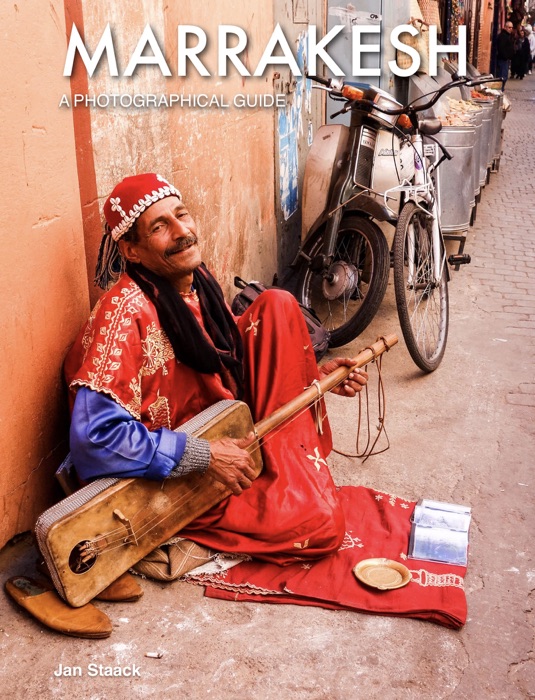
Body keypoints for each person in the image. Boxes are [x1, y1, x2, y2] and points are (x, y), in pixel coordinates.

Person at [64, 173, 368, 578]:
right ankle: (201, 528)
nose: (182, 232)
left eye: (182, 215)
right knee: (320, 525)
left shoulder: (197, 284)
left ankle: (282, 477)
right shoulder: (123, 313)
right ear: (131, 250)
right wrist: (205, 456)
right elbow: (94, 441)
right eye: (159, 227)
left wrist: (313, 379)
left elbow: (227, 360)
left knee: (277, 305)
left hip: (222, 428)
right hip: (175, 477)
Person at [496, 20, 515, 84]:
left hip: (505, 60)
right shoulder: (503, 36)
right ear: (505, 27)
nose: (511, 29)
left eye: (512, 27)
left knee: (504, 77)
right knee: (502, 77)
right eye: (509, 27)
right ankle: (500, 91)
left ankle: (501, 90)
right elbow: (501, 48)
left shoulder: (507, 36)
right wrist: (506, 56)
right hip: (502, 60)